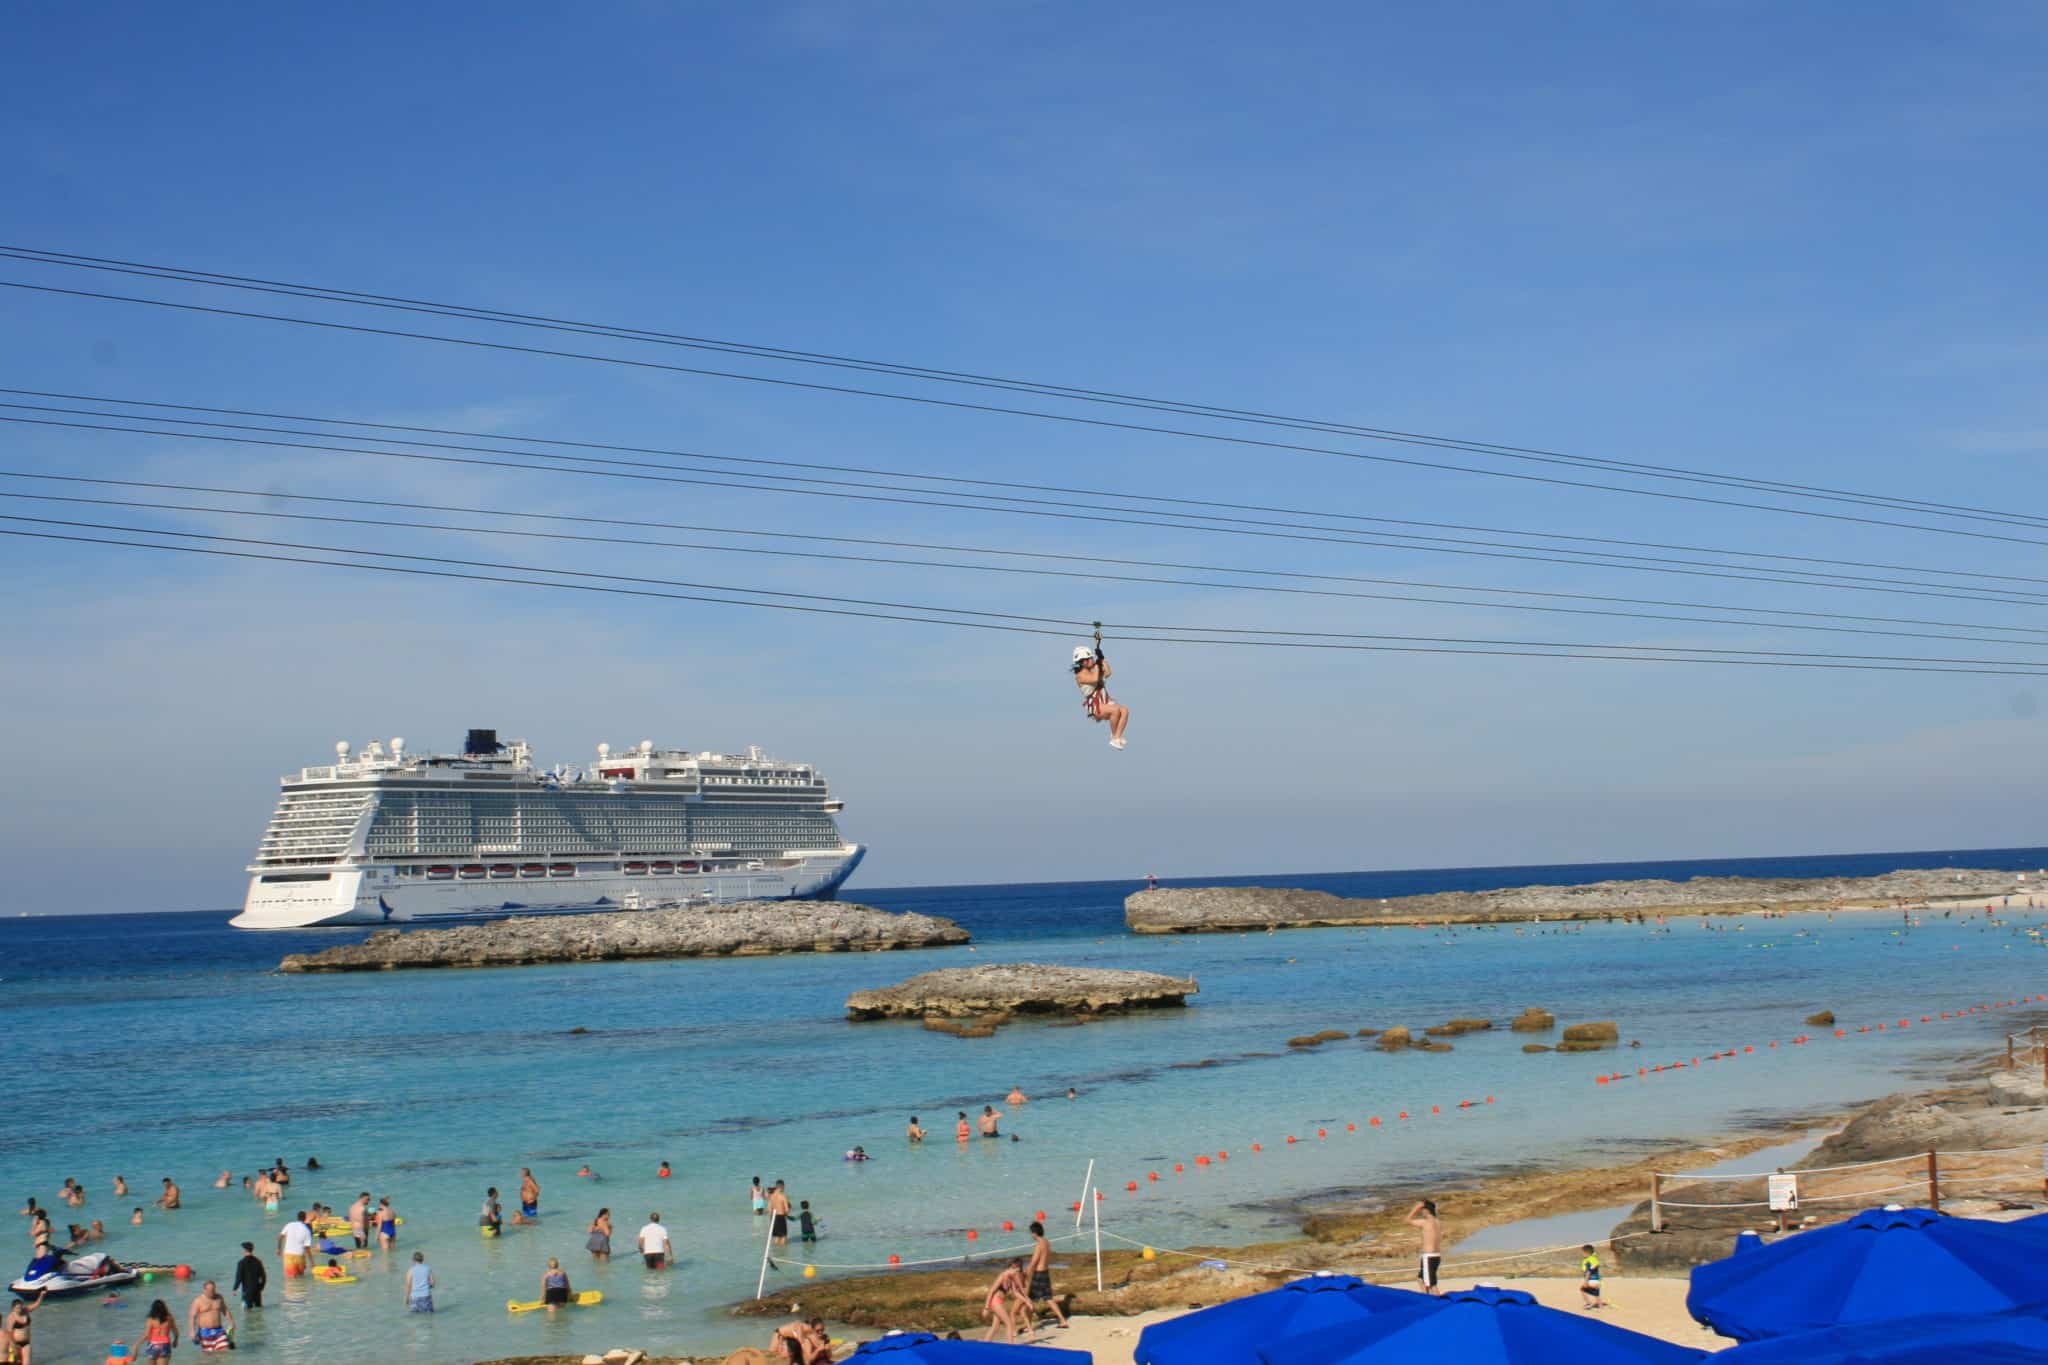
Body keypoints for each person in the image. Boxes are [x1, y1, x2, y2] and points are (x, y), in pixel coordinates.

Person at [1070, 644, 1130, 749]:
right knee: (1115, 710)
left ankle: (1116, 736)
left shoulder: (1093, 671)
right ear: (1083, 662)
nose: (1092, 660)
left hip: (1104, 701)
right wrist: (1097, 665)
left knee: (1124, 710)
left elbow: (1108, 673)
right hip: (1095, 705)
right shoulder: (1080, 675)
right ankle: (1115, 738)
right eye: (1090, 659)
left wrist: (1102, 659)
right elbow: (1095, 679)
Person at [1026, 1221, 1069, 1329]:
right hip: (1045, 1272)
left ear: (1035, 1233)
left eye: (1031, 1233)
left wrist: (1026, 1273)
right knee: (1048, 1298)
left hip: (1039, 1274)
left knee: (1030, 1300)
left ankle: (1028, 1325)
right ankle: (1062, 1320)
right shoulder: (1046, 1242)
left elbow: (1034, 1261)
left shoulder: (1039, 1245)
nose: (1031, 1235)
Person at [979, 1260, 1027, 1343]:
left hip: (999, 1302)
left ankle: (985, 1344)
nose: (1016, 1272)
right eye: (1015, 1269)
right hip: (995, 1301)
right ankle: (1011, 1347)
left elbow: (1015, 1292)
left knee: (995, 1326)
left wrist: (1026, 1300)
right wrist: (986, 1308)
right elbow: (991, 1291)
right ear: (1011, 1267)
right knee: (1009, 1324)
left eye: (1018, 1270)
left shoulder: (1011, 1278)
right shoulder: (1002, 1276)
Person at [186, 1281, 234, 1354]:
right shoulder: (198, 1301)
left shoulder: (219, 1297)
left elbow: (225, 1310)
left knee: (225, 1352)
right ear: (204, 1290)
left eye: (214, 1290)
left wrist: (232, 1322)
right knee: (209, 1356)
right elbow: (192, 1316)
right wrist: (192, 1331)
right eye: (210, 1290)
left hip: (219, 1330)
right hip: (205, 1332)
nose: (212, 1292)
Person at [1407, 1200, 1442, 1295]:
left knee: (1432, 1285)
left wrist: (1416, 1208)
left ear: (1426, 1210)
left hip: (1429, 1256)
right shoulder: (1437, 1222)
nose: (1421, 1212)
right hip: (1437, 1256)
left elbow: (1407, 1220)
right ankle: (1427, 1299)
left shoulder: (1425, 1222)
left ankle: (1440, 1305)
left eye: (1422, 1210)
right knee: (1421, 1279)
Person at [4, 1290, 45, 1365]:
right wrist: (13, 1346)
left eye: (20, 1307)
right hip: (15, 1344)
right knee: (16, 1363)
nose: (19, 1309)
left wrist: (41, 1295)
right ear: (13, 1308)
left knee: (27, 1363)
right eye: (17, 1308)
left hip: (26, 1343)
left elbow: (37, 1304)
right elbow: (8, 1333)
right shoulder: (11, 1317)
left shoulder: (25, 1310)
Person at [277, 1211, 315, 1280]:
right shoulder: (306, 1230)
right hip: (300, 1256)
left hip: (288, 1255)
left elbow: (280, 1237)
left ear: (297, 1217)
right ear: (305, 1218)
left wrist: (279, 1249)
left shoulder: (289, 1225)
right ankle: (301, 1290)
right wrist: (312, 1262)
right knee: (301, 1277)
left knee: (291, 1279)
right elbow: (307, 1248)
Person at [232, 1243, 266, 1310]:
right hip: (257, 1290)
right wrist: (261, 1287)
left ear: (245, 1250)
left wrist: (235, 1288)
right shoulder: (258, 1261)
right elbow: (263, 1277)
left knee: (247, 1311)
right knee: (258, 1309)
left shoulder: (241, 1263)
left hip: (247, 1291)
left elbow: (239, 1277)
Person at [1578, 1244, 1606, 1310]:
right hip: (1596, 1280)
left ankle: (1588, 1303)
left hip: (1591, 1280)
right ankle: (1600, 1305)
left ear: (1586, 1253)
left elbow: (1589, 1271)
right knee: (1596, 1293)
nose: (1582, 1254)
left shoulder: (1588, 1261)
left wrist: (1586, 1281)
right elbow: (1596, 1267)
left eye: (1582, 1252)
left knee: (1582, 1289)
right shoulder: (1594, 1259)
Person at [766, 1182, 791, 1248]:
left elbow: (769, 1209)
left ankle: (776, 1253)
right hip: (781, 1217)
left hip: (773, 1218)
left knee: (776, 1237)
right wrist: (787, 1214)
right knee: (783, 1237)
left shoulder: (771, 1196)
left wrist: (771, 1218)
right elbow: (787, 1210)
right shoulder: (783, 1196)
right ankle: (782, 1253)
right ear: (782, 1187)